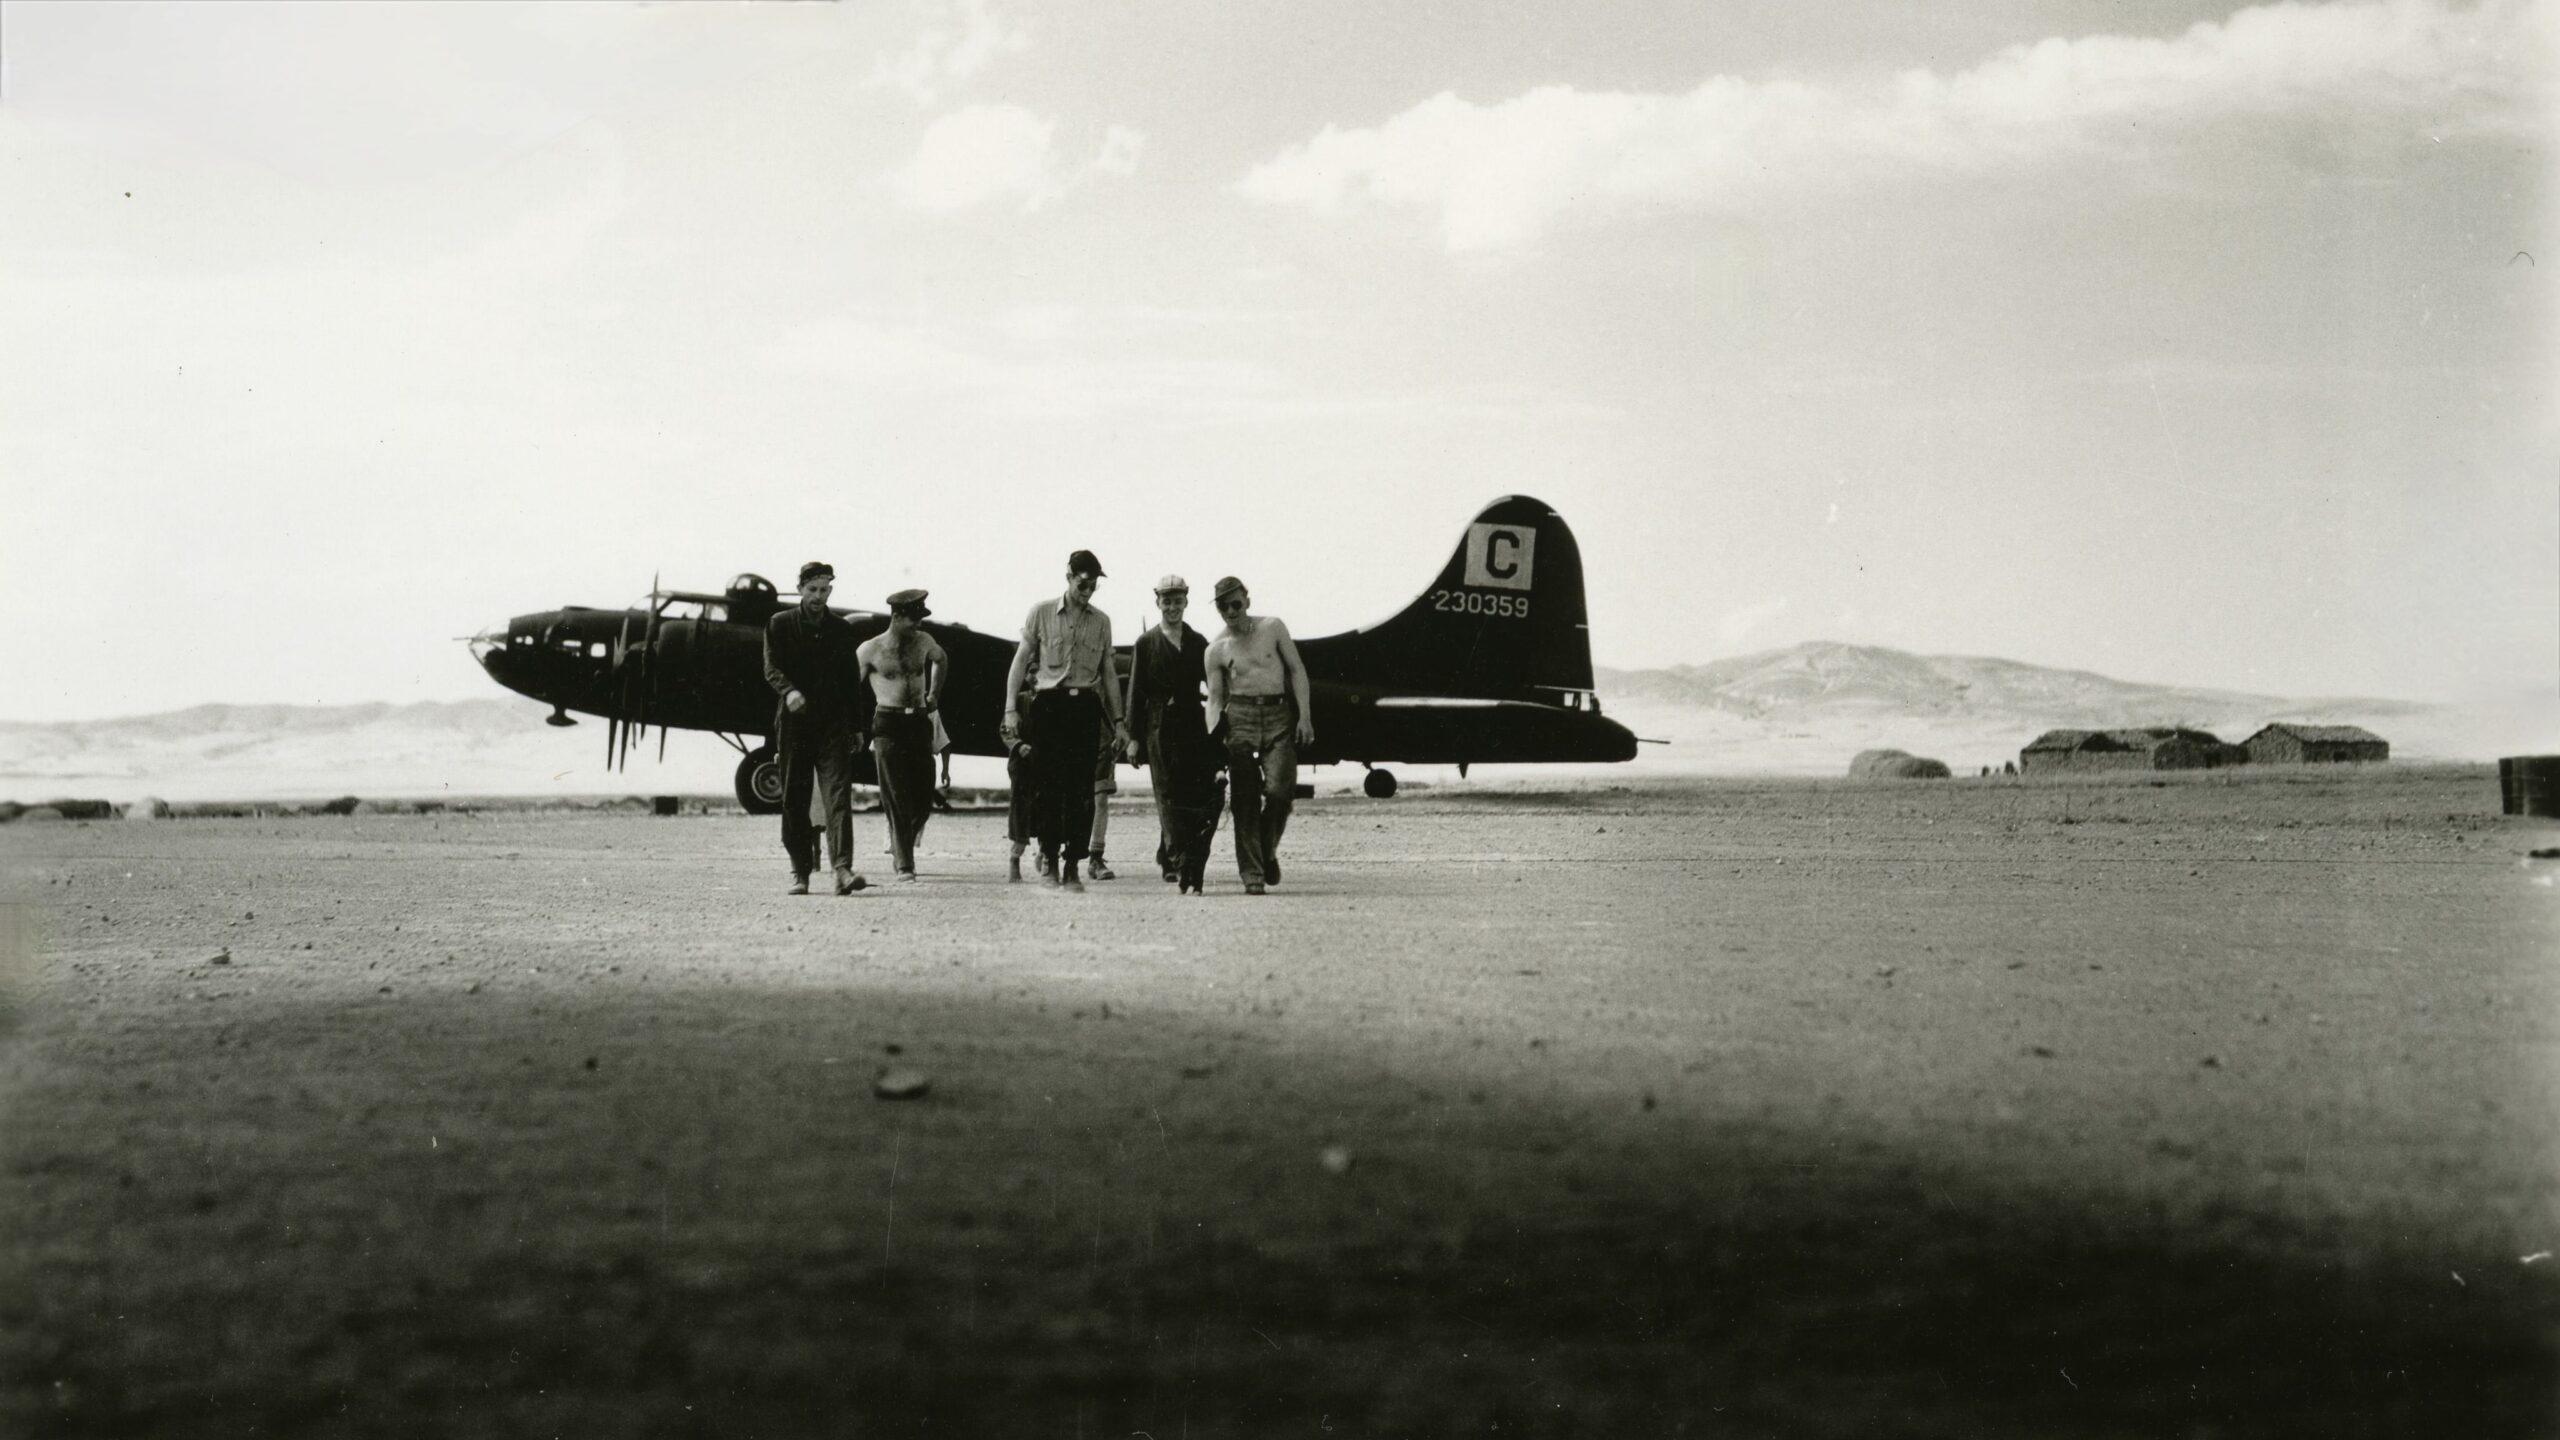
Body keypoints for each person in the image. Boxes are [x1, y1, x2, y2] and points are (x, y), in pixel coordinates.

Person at [1003, 550, 1131, 893]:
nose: (1088, 588)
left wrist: (1118, 721)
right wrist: (1010, 709)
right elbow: (1020, 662)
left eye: (1094, 583)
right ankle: (1049, 861)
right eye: (1083, 581)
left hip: (1086, 710)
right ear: (1069, 577)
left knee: (1081, 793)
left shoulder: (1102, 622)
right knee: (1049, 790)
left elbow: (1107, 672)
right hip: (1049, 709)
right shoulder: (1041, 613)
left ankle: (1073, 864)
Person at [763, 561, 872, 896]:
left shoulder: (841, 629)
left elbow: (850, 681)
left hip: (833, 724)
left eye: (824, 590)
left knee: (838, 797)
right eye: (812, 589)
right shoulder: (779, 624)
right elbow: (771, 667)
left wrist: (856, 726)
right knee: (795, 799)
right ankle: (800, 872)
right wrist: (790, 691)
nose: (818, 596)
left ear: (830, 591)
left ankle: (842, 870)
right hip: (795, 724)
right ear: (799, 589)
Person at [1205, 575, 1311, 896]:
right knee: (1244, 800)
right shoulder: (1216, 649)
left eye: (1236, 603)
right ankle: (1252, 873)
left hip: (1279, 715)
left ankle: (1267, 850)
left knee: (1281, 791)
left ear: (1247, 601)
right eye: (1223, 606)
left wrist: (1305, 716)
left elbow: (1296, 670)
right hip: (1240, 719)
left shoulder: (1273, 628)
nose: (1231, 611)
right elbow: (1214, 698)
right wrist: (1214, 740)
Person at [1127, 574, 1222, 890]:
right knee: (1166, 794)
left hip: (1192, 725)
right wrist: (1133, 738)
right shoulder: (1145, 643)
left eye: (1177, 601)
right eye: (1166, 601)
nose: (1172, 607)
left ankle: (1171, 856)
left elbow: (1215, 687)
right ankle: (1181, 861)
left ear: (1185, 602)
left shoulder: (1198, 642)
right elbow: (1136, 693)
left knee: (1188, 794)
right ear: (1158, 603)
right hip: (1158, 726)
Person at [857, 589, 946, 883]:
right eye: (913, 619)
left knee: (923, 796)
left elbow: (941, 659)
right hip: (888, 723)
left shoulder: (924, 642)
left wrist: (933, 693)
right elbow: (851, 691)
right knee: (896, 796)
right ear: (897, 616)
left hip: (918, 722)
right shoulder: (870, 649)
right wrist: (857, 726)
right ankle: (905, 863)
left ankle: (899, 845)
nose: (918, 624)